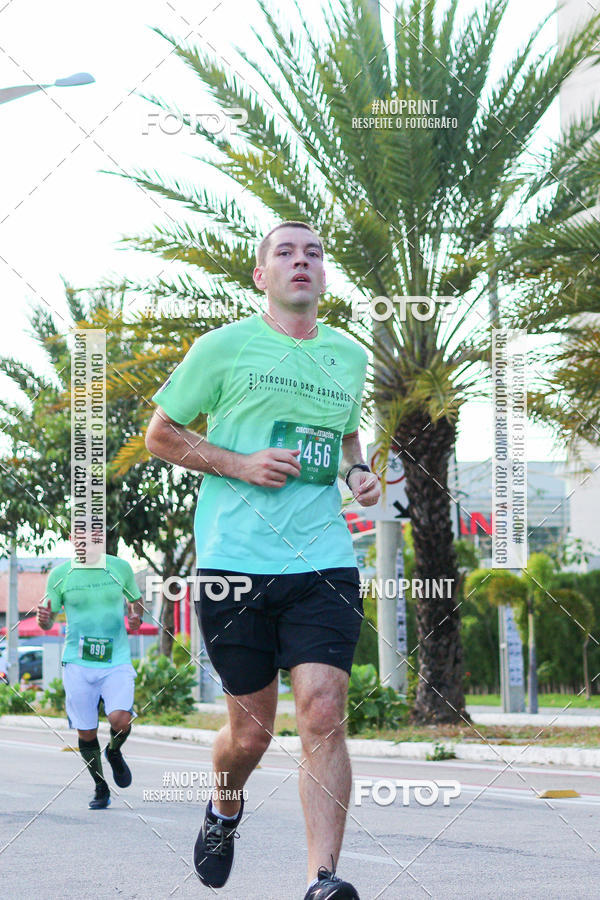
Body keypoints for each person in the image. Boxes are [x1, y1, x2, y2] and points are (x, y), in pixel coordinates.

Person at [146, 221, 380, 899]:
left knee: (323, 711)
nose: (301, 261)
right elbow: (161, 434)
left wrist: (357, 472)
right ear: (261, 275)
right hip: (235, 562)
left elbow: (344, 437)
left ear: (324, 276)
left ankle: (322, 880)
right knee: (249, 736)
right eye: (285, 252)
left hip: (323, 561)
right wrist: (240, 463)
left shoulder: (348, 356)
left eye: (313, 254)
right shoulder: (222, 348)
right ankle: (224, 809)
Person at [37, 536, 144, 810]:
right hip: (78, 661)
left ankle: (114, 751)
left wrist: (136, 618)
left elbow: (136, 601)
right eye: (80, 534)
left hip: (116, 658)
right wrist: (44, 620)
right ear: (72, 538)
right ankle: (100, 785)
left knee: (121, 719)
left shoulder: (120, 567)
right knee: (86, 731)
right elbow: (48, 619)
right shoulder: (60, 575)